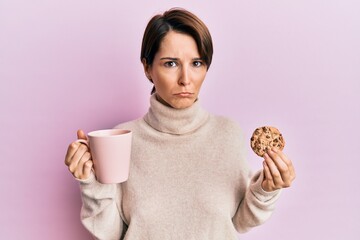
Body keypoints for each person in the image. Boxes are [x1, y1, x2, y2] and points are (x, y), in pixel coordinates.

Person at [65, 8, 296, 240]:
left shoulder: (228, 134)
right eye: (171, 64)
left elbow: (240, 222)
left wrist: (267, 188)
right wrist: (90, 182)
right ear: (147, 68)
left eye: (196, 63)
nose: (186, 79)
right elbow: (112, 232)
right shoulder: (121, 139)